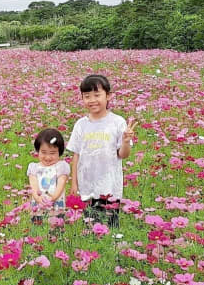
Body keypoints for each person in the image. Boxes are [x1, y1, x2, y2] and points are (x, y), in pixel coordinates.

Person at [68, 74, 136, 227]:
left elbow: (123, 155)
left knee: (110, 227)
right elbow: (76, 155)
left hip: (109, 185)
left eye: (97, 95)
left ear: (108, 96)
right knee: (90, 225)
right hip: (87, 185)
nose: (92, 100)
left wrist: (126, 142)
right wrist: (74, 184)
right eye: (87, 96)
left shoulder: (117, 122)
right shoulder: (81, 124)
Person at [27, 128, 70, 225]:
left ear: (60, 152)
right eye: (43, 152)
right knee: (37, 231)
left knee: (55, 231)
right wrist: (39, 199)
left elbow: (61, 184)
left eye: (52, 153)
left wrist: (53, 199)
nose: (48, 157)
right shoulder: (34, 167)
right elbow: (33, 186)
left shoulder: (61, 166)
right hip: (38, 206)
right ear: (38, 150)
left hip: (56, 206)